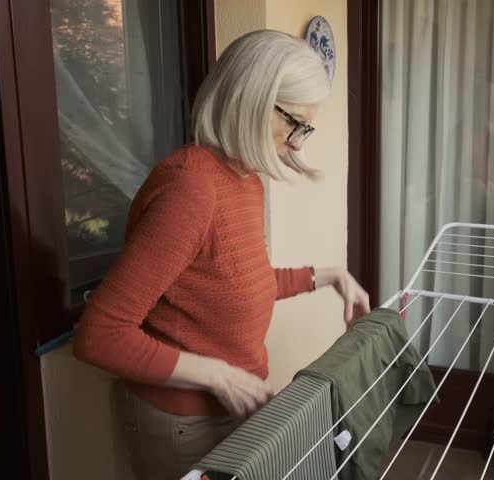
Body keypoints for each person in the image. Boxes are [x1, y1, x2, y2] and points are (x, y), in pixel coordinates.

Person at [73, 30, 370, 480]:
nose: (297, 143)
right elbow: (99, 335)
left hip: (237, 405)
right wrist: (219, 376)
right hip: (183, 423)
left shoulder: (244, 180)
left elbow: (234, 280)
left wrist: (327, 275)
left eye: (305, 128)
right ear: (253, 98)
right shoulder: (189, 188)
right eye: (295, 124)